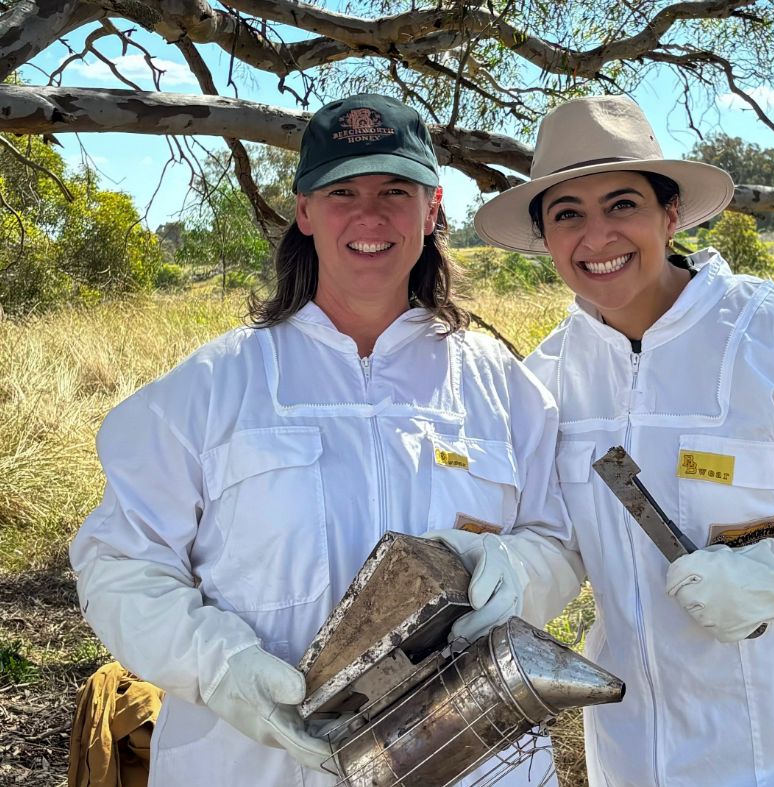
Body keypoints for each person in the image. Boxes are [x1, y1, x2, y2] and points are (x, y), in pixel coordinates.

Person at [69, 94, 581, 787]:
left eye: (395, 190)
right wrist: (218, 667)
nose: (369, 215)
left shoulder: (502, 387)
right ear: (305, 212)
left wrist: (515, 572)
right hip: (252, 766)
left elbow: (559, 536)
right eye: (343, 191)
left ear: (431, 210)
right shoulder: (212, 387)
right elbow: (120, 561)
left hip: (470, 763)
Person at [442, 95, 774, 786]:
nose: (598, 236)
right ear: (544, 238)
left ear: (669, 213)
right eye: (568, 215)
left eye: (622, 204)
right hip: (642, 746)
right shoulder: (546, 379)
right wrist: (512, 573)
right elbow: (560, 539)